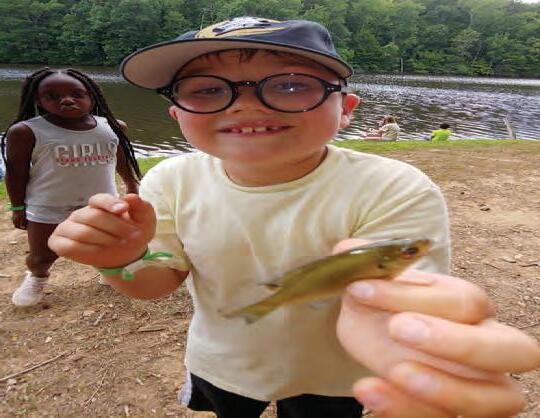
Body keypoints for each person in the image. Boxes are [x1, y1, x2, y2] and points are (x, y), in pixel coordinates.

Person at [48, 17, 540, 418]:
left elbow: (401, 302)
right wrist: (119, 259)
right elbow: (155, 282)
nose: (244, 105)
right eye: (206, 90)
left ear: (345, 110)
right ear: (177, 114)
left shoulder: (395, 187)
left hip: (339, 374)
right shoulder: (171, 180)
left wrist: (411, 347)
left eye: (289, 85)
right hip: (224, 362)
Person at [2, 67, 141, 307]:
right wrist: (17, 207)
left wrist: (131, 183)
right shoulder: (26, 131)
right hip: (48, 206)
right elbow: (16, 174)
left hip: (101, 203)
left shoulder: (112, 126)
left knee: (106, 243)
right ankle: (37, 277)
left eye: (77, 94)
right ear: (38, 100)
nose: (66, 100)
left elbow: (119, 157)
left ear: (91, 96)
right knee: (42, 254)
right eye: (52, 96)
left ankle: (108, 269)